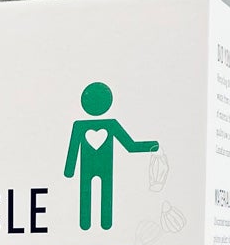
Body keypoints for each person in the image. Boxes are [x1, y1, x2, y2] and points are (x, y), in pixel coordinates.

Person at [64, 81, 159, 231]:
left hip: (104, 167)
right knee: (87, 192)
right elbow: (73, 148)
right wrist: (69, 170)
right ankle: (86, 223)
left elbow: (129, 145)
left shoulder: (107, 125)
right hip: (89, 167)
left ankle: (104, 223)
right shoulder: (81, 126)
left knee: (105, 192)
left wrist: (150, 146)